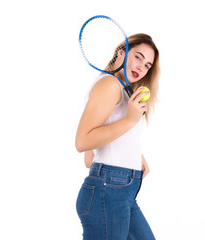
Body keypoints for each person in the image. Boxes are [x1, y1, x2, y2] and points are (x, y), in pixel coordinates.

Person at [75, 33, 160, 240]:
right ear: (121, 53)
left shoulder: (122, 89)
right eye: (138, 57)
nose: (141, 67)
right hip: (109, 191)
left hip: (121, 191)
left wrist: (132, 155)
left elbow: (90, 159)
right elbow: (82, 142)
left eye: (148, 65)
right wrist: (129, 121)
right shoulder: (110, 85)